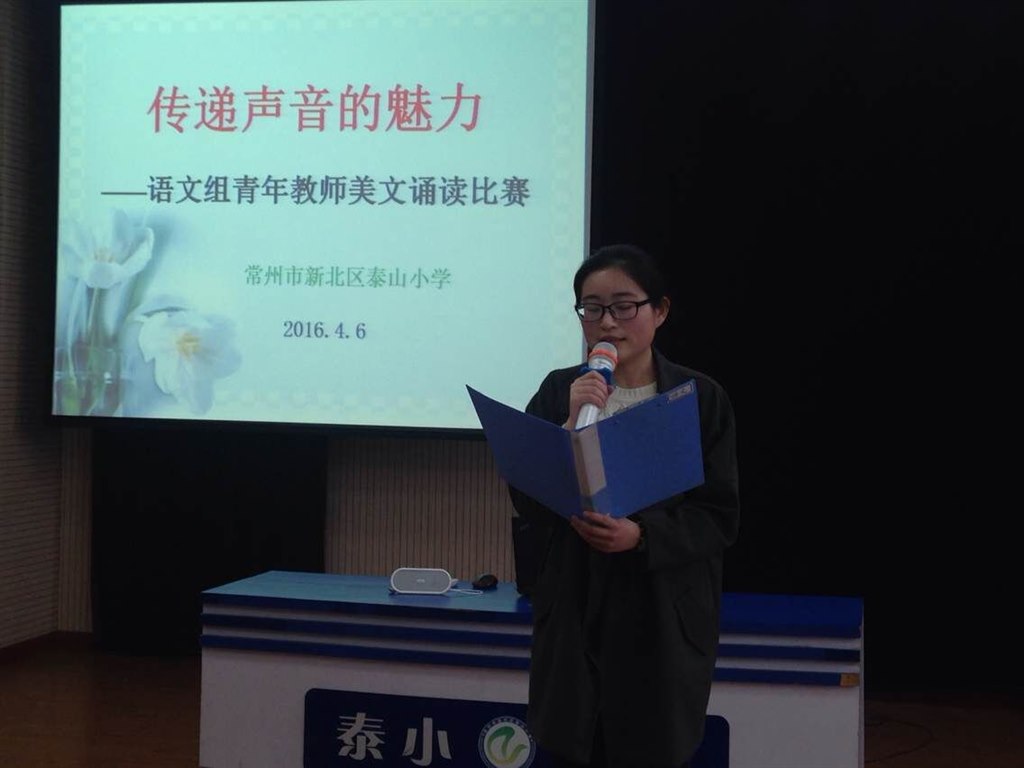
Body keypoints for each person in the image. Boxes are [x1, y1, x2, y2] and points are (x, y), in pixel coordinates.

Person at [508, 243, 740, 768]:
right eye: (592, 308)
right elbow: (527, 500)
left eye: (623, 306)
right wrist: (570, 423)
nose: (607, 323)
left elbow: (718, 516)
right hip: (575, 603)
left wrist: (642, 536)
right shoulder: (560, 390)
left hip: (660, 610)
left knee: (649, 746)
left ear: (660, 311)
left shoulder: (699, 398)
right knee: (572, 744)